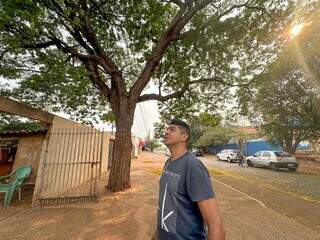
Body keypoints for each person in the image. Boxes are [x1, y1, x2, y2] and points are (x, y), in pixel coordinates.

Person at [153, 119, 225, 240]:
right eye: (167, 129)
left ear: (184, 137)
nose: (166, 132)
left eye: (172, 129)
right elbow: (168, 206)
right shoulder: (168, 163)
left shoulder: (193, 165)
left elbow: (215, 224)